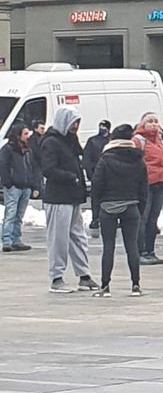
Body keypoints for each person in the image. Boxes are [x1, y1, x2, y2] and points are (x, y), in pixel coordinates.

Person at [40, 106, 98, 293]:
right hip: (58, 197)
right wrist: (70, 177)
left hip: (73, 196)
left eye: (78, 122)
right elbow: (48, 169)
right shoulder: (51, 142)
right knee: (59, 239)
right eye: (74, 122)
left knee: (78, 237)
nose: (76, 126)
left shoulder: (70, 141)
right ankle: (56, 277)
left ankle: (84, 275)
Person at [90, 124, 148, 297]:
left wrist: (95, 214)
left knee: (109, 247)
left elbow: (96, 187)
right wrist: (140, 209)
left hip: (108, 207)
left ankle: (105, 286)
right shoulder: (139, 159)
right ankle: (135, 285)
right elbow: (144, 188)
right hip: (131, 207)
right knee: (132, 247)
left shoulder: (105, 159)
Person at [133, 114, 163, 266]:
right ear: (142, 124)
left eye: (156, 121)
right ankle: (140, 252)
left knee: (153, 220)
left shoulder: (160, 140)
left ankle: (150, 251)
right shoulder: (138, 140)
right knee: (143, 218)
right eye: (150, 121)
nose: (154, 124)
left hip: (161, 183)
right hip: (145, 184)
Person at [0, 122, 39, 252]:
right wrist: (8, 183)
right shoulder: (8, 149)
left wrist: (33, 185)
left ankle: (16, 240)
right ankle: (7, 240)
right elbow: (3, 167)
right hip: (14, 187)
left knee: (19, 215)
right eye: (25, 133)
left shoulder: (27, 150)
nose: (28, 136)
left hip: (25, 186)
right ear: (18, 135)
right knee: (10, 214)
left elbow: (32, 167)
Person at [82, 120, 111, 230]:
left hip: (110, 175)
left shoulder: (111, 140)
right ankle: (95, 218)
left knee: (109, 198)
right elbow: (87, 159)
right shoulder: (92, 141)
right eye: (100, 126)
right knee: (96, 198)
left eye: (104, 126)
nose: (101, 128)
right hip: (97, 175)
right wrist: (91, 174)